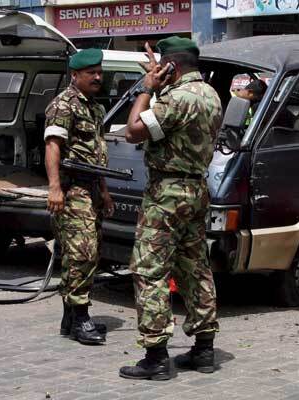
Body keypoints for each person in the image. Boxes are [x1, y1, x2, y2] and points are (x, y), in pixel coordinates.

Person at [118, 37, 223, 380]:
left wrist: (145, 89)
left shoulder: (176, 99)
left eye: (163, 67)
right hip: (196, 189)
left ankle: (156, 356)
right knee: (194, 266)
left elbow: (133, 131)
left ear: (171, 67)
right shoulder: (210, 94)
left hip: (167, 192)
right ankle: (204, 349)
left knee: (149, 269)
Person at [44, 49, 114, 345]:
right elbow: (52, 146)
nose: (98, 77)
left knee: (89, 253)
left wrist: (105, 192)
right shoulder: (63, 105)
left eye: (99, 72)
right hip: (72, 191)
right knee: (82, 253)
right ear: (76, 75)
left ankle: (70, 317)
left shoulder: (94, 108)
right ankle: (81, 316)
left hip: (92, 189)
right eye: (91, 73)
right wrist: (55, 187)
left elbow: (96, 154)